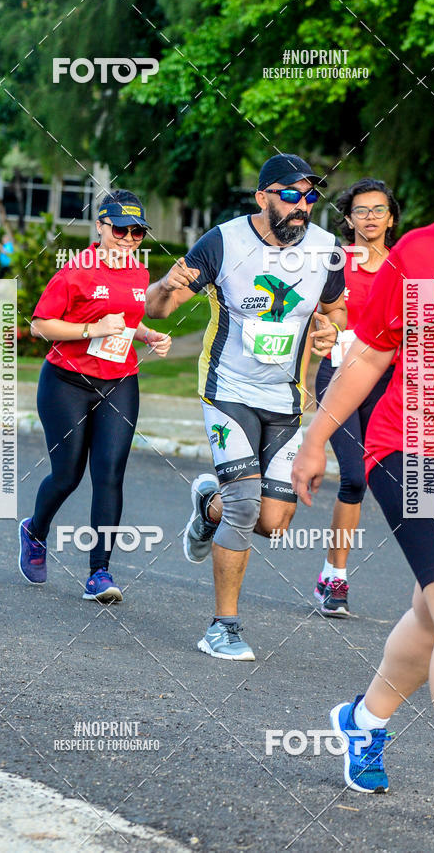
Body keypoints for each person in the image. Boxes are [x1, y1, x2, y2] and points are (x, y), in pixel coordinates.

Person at [291, 114, 434, 841]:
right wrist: (315, 439)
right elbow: (372, 356)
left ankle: (361, 721)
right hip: (417, 447)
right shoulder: (423, 257)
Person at [146, 154, 346, 660]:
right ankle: (223, 626)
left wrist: (331, 328)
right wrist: (165, 288)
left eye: (309, 196)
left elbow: (334, 308)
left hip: (286, 399)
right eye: (291, 194)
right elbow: (158, 307)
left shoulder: (327, 250)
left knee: (273, 521)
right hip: (228, 389)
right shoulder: (224, 241)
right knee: (243, 504)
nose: (302, 206)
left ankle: (205, 506)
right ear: (262, 197)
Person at [20, 189, 171, 602]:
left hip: (119, 382)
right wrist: (92, 330)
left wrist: (147, 334)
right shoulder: (76, 271)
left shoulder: (139, 273)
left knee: (109, 474)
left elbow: (126, 321)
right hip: (66, 382)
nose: (128, 239)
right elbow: (39, 325)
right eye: (121, 229)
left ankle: (99, 574)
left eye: (138, 232)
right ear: (101, 226)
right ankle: (34, 531)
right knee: (67, 474)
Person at [314, 178, 400, 616]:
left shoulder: (406, 266)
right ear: (348, 218)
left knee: (408, 486)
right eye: (361, 210)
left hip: (387, 383)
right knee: (354, 477)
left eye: (378, 209)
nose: (370, 217)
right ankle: (334, 578)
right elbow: (313, 310)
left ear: (390, 216)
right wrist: (321, 329)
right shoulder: (334, 261)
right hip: (339, 375)